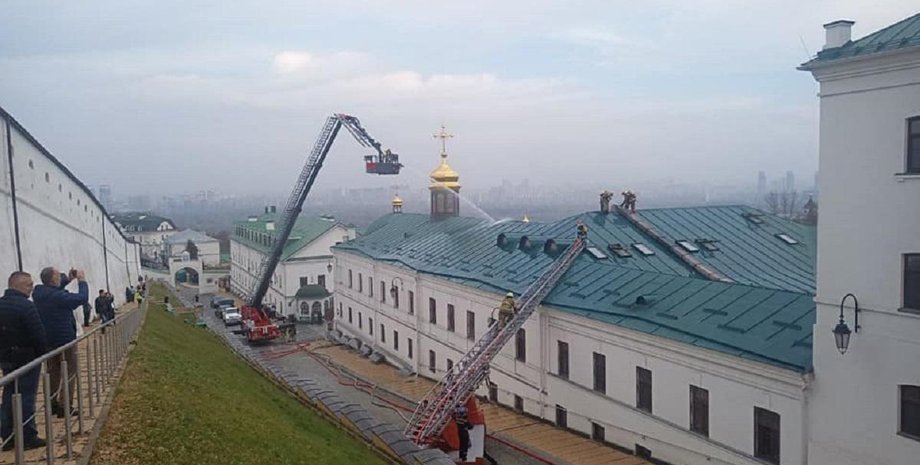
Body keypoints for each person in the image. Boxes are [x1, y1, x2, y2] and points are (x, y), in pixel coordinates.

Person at [0, 271, 48, 451]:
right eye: (29, 285)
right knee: (26, 397)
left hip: (6, 359)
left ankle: (7, 435)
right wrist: (42, 355)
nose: (31, 288)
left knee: (9, 395)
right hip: (27, 358)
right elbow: (38, 335)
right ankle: (28, 435)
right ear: (18, 285)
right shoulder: (26, 306)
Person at [33, 267, 88, 418]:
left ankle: (52, 404)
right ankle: (65, 406)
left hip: (48, 340)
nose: (61, 277)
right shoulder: (59, 297)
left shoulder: (39, 293)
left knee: (53, 372)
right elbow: (82, 298)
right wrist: (82, 281)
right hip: (65, 340)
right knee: (70, 371)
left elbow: (54, 290)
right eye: (59, 276)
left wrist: (68, 280)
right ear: (53, 279)